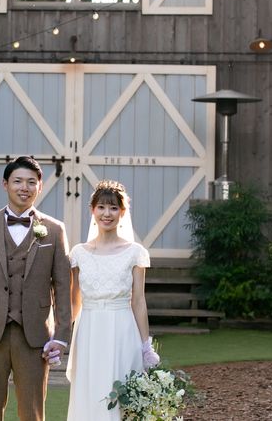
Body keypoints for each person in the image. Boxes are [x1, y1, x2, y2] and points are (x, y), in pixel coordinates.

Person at [0, 155, 72, 421]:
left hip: (35, 336)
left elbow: (63, 287)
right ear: (5, 184)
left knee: (32, 412)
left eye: (31, 182)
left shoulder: (54, 230)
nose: (24, 188)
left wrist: (61, 335)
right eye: (18, 181)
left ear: (40, 186)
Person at [66, 180, 160, 420]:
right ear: (92, 210)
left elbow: (138, 301)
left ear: (122, 212)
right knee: (90, 390)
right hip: (88, 330)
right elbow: (74, 301)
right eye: (101, 207)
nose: (107, 214)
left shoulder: (135, 252)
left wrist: (146, 345)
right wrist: (59, 335)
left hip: (122, 329)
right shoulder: (78, 253)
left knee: (120, 392)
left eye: (113, 208)